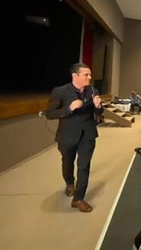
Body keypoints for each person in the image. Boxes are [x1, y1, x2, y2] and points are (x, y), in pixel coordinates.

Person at [45, 62, 103, 213]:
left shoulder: (93, 90)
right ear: (75, 76)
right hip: (67, 136)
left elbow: (99, 113)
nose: (90, 77)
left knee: (84, 166)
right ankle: (70, 183)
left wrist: (98, 107)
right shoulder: (60, 91)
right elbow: (50, 114)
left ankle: (78, 199)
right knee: (67, 162)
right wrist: (69, 108)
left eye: (90, 74)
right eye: (86, 74)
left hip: (88, 135)